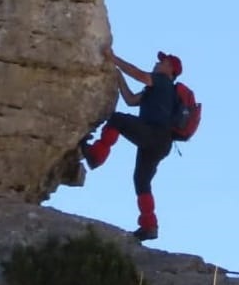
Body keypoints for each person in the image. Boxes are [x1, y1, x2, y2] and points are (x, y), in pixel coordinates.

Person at [79, 47, 185, 242]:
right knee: (141, 180)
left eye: (162, 62)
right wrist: (118, 76)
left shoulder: (162, 82)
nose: (157, 63)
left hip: (154, 134)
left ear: (170, 69)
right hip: (160, 143)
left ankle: (96, 155)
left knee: (117, 120)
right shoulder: (156, 88)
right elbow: (130, 100)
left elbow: (139, 74)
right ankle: (149, 226)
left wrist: (114, 59)